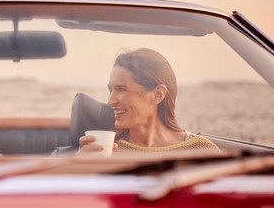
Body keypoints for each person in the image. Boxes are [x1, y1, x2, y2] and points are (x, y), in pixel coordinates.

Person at [79, 48, 219, 154]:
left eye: (121, 89)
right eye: (111, 90)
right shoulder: (106, 150)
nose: (110, 101)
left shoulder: (201, 150)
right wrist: (78, 166)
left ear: (158, 94)